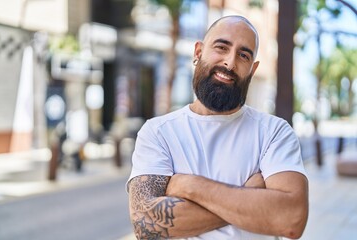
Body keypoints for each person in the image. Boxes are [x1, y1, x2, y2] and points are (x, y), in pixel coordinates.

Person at [127, 15, 309, 240]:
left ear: (252, 70)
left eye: (243, 55)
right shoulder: (158, 132)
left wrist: (189, 185)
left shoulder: (274, 132)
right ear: (198, 52)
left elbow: (291, 219)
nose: (230, 63)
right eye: (221, 47)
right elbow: (146, 225)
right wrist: (251, 197)